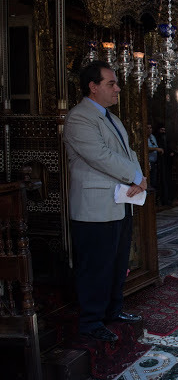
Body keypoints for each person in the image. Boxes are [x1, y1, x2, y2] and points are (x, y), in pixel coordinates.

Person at [63, 61, 145, 342]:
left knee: (116, 262)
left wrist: (140, 177)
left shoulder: (112, 117)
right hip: (94, 207)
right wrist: (134, 175)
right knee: (96, 266)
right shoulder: (79, 118)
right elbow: (99, 156)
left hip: (119, 202)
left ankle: (113, 310)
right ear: (93, 87)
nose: (117, 88)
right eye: (111, 83)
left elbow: (128, 151)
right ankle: (91, 321)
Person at [147, 123, 163, 191]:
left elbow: (155, 146)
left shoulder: (152, 137)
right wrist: (156, 149)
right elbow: (146, 148)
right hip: (148, 162)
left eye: (150, 128)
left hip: (154, 162)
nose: (149, 130)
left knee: (155, 181)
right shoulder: (144, 138)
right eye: (148, 128)